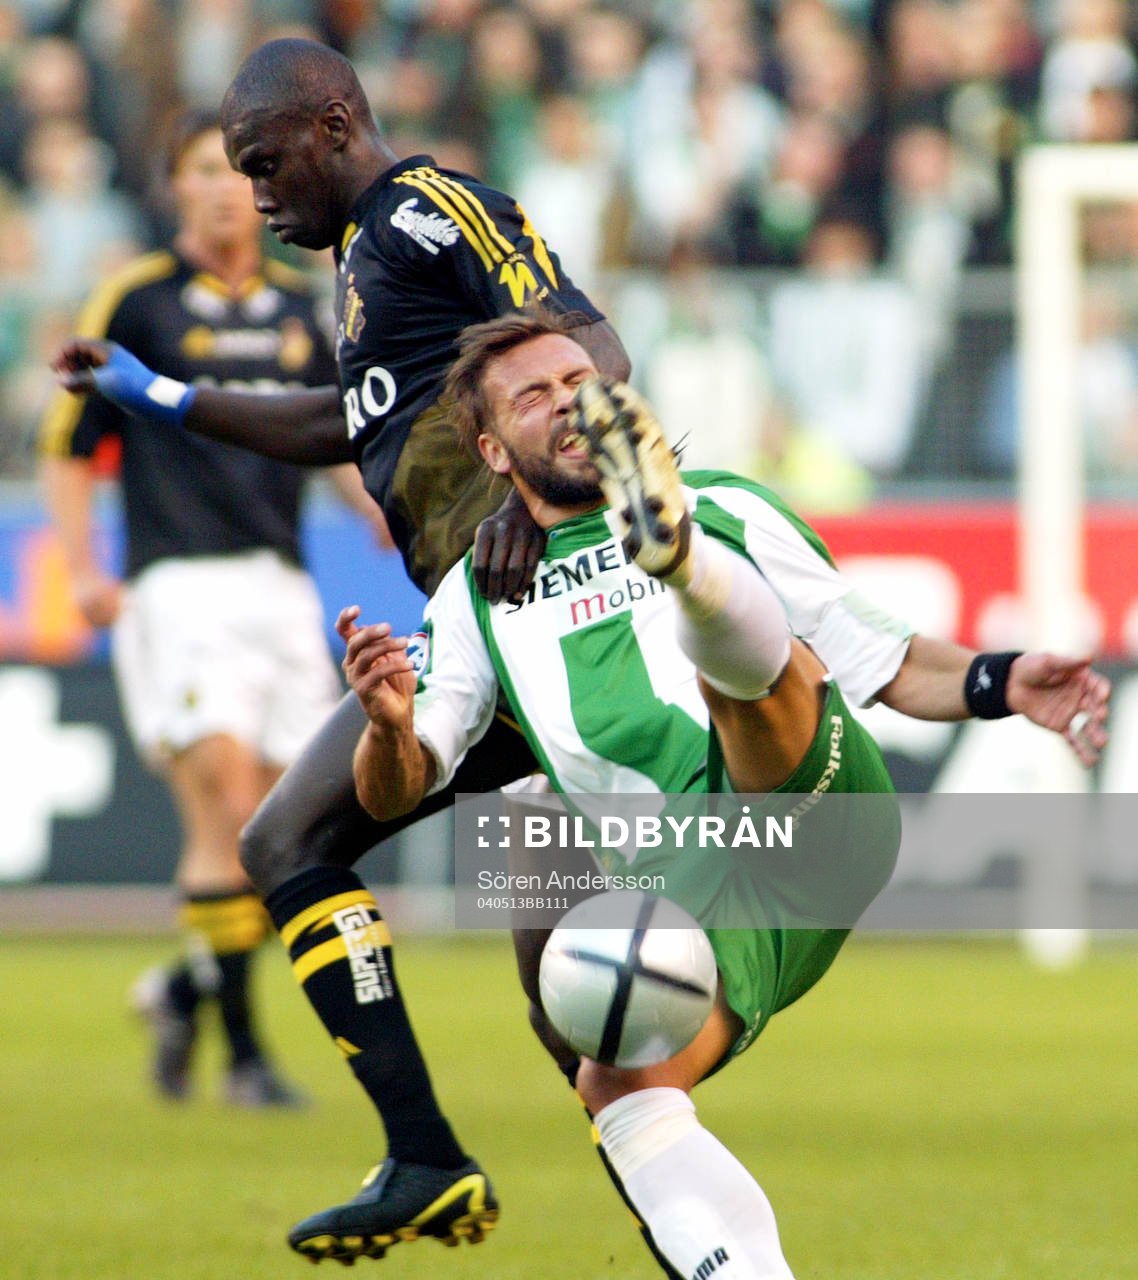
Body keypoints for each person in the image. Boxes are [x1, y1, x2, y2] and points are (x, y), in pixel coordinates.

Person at [336, 309, 1110, 1277]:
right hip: (696, 894)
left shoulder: (731, 501)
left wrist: (1004, 681)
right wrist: (388, 723)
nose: (568, 403)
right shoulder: (469, 605)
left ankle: (680, 561)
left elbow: (883, 659)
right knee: (616, 1086)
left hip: (809, 807)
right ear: (491, 448)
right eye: (532, 397)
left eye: (579, 380)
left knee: (740, 684)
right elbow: (396, 787)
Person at [50, 37, 630, 1261]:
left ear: (333, 122)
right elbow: (339, 422)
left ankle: (422, 1152)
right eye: (240, 174)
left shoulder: (430, 208)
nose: (259, 197)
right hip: (488, 629)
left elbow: (594, 350)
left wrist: (533, 506)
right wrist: (158, 396)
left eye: (266, 165)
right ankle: (682, 1223)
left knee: (286, 838)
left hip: (548, 609)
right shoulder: (362, 265)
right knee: (571, 1017)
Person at [38, 108, 374, 1109]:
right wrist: (81, 566)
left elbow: (336, 433)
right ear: (175, 188)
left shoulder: (297, 305)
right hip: (174, 581)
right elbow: (69, 443)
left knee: (285, 826)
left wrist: (379, 510)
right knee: (227, 797)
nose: (226, 189)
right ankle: (246, 1056)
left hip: (280, 580)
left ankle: (185, 987)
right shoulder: (135, 300)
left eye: (240, 172)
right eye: (202, 171)